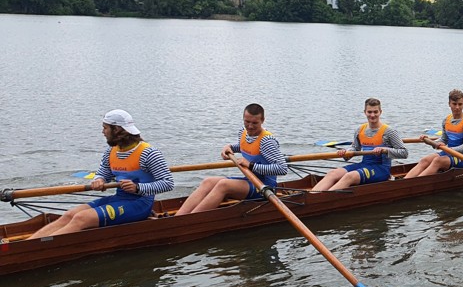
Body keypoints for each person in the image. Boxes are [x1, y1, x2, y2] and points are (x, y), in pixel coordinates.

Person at [29, 110, 174, 239]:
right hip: (120, 199)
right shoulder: (111, 151)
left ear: (117, 129)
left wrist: (138, 188)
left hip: (140, 204)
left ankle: (38, 249)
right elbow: (104, 172)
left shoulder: (149, 153)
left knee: (81, 218)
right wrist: (99, 179)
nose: (103, 132)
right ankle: (28, 244)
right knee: (70, 214)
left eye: (105, 128)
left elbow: (168, 183)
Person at [175, 103, 288, 215]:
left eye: (255, 123)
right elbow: (244, 146)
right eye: (247, 122)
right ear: (243, 118)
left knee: (224, 185)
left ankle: (190, 220)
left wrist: (251, 165)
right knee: (207, 181)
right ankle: (179, 216)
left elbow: (282, 168)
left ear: (262, 120)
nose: (250, 126)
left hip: (264, 187)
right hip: (249, 179)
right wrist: (230, 147)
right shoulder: (243, 132)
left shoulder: (267, 141)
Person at [313, 98, 408, 190]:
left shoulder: (389, 132)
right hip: (364, 164)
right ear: (365, 112)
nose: (372, 115)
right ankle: (313, 195)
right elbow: (355, 148)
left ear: (380, 112)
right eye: (369, 112)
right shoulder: (360, 130)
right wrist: (346, 153)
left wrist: (385, 150)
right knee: (332, 173)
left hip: (381, 169)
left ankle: (322, 198)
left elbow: (404, 152)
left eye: (375, 112)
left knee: (350, 176)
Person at [405, 89, 463, 178]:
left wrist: (448, 149)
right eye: (454, 104)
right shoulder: (446, 120)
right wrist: (430, 141)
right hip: (448, 153)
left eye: (460, 104)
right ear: (449, 104)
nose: (457, 107)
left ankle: (414, 183)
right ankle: (404, 181)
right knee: (424, 160)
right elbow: (444, 140)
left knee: (437, 161)